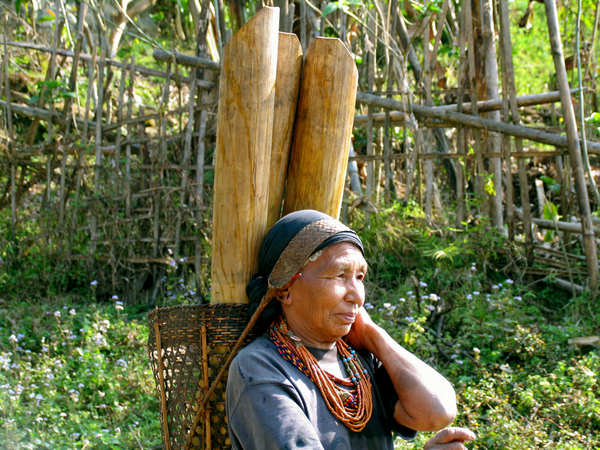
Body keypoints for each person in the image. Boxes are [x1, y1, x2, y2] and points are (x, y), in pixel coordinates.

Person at [226, 210, 475, 450]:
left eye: (360, 276)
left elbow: (438, 411)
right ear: (285, 290)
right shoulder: (258, 369)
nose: (357, 296)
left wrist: (371, 334)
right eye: (339, 275)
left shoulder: (360, 360)